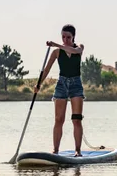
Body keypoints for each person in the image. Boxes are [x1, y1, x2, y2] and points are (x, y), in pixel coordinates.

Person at [35, 24, 86, 156]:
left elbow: (76, 51)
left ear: (73, 37)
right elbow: (46, 70)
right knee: (59, 119)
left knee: (76, 119)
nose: (65, 40)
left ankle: (78, 151)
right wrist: (38, 84)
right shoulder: (56, 52)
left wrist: (56, 44)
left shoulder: (79, 47)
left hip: (76, 84)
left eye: (68, 37)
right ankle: (55, 150)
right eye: (63, 37)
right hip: (61, 84)